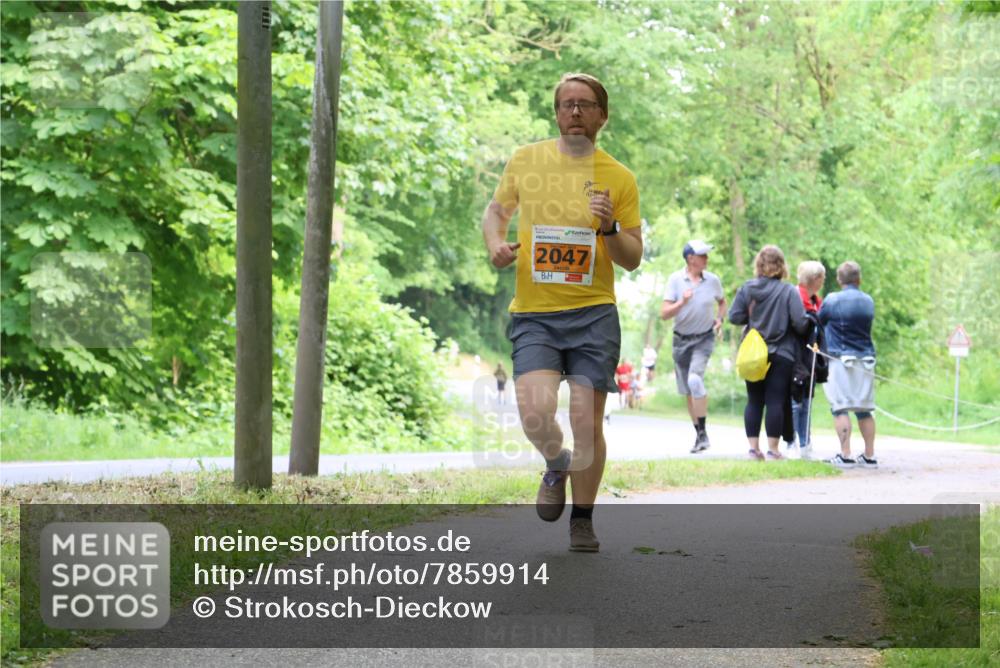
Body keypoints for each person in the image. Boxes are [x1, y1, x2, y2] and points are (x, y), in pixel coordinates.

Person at [482, 72, 643, 552]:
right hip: (535, 312)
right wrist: (495, 245)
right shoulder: (526, 161)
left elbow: (631, 258)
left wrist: (609, 226)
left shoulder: (619, 177)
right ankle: (556, 462)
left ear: (602, 115)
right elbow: (496, 212)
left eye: (585, 104)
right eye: (566, 104)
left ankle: (583, 519)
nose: (575, 111)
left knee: (586, 418)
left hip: (593, 312)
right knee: (534, 413)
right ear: (556, 113)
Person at [729, 245, 809, 461]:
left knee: (754, 400)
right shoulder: (788, 291)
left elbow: (734, 317)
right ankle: (773, 450)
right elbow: (800, 323)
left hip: (754, 353)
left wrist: (753, 318)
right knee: (775, 400)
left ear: (759, 265)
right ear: (782, 266)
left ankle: (754, 450)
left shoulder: (748, 289)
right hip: (781, 352)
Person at [660, 240, 727, 453]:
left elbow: (722, 302)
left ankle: (704, 432)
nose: (707, 258)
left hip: (704, 338)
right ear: (691, 259)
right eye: (703, 255)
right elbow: (664, 314)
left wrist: (719, 319)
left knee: (695, 379)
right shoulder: (675, 280)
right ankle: (699, 434)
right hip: (681, 341)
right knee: (689, 390)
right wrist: (682, 302)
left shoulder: (713, 280)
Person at [818, 261, 878, 469]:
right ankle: (869, 455)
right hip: (866, 360)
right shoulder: (868, 301)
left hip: (840, 360)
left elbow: (819, 321)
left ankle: (846, 454)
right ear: (858, 279)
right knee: (864, 409)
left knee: (840, 407)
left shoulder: (833, 300)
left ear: (839, 280)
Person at [790, 261, 827, 459]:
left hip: (811, 356)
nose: (823, 282)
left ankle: (805, 444)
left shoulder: (817, 302)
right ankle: (792, 442)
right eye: (822, 278)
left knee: (807, 401)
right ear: (814, 279)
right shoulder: (796, 296)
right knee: (796, 400)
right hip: (796, 355)